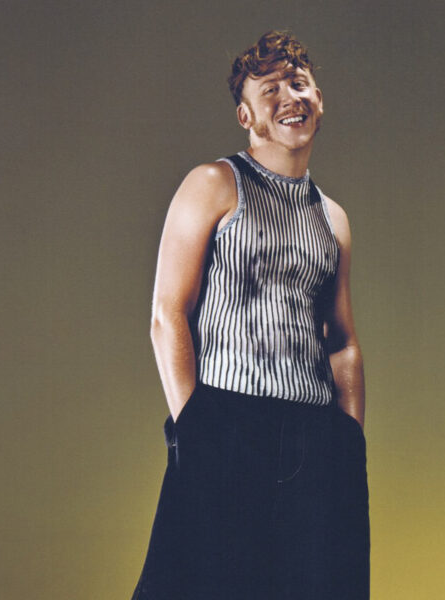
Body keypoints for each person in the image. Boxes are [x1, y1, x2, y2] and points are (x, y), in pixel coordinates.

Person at [131, 30, 369, 600]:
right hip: (225, 423)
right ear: (247, 115)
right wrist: (195, 427)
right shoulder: (214, 184)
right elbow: (168, 312)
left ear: (318, 100)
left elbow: (342, 341)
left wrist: (349, 442)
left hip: (314, 433)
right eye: (270, 90)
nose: (289, 97)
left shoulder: (332, 218)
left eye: (299, 83)